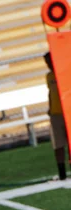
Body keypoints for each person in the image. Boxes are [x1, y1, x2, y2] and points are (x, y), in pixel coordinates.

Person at [44, 52, 69, 180]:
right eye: (46, 63)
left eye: (49, 61)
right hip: (55, 114)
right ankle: (62, 172)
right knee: (58, 144)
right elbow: (51, 92)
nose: (48, 65)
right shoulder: (49, 76)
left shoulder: (64, 73)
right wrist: (50, 107)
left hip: (67, 111)